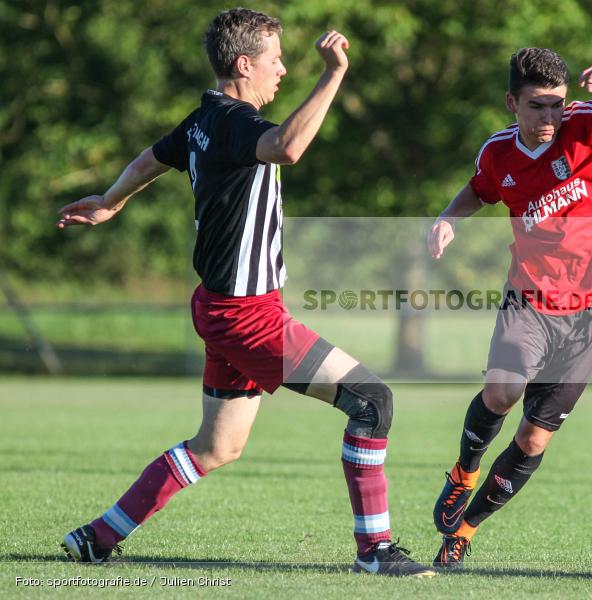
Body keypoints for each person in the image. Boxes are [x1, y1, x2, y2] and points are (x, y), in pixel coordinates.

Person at [55, 8, 434, 577]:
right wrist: (332, 74)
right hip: (246, 314)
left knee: (217, 447)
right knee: (372, 400)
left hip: (221, 307)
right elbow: (288, 147)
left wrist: (111, 200)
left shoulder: (203, 120)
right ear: (242, 64)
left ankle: (98, 536)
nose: (282, 70)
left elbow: (151, 159)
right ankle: (374, 553)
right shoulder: (234, 122)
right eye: (275, 60)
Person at [426, 48, 592, 569]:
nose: (550, 117)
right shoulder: (498, 153)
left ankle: (465, 531)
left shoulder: (588, 127)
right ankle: (464, 470)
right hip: (530, 296)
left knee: (533, 437)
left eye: (556, 104)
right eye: (537, 106)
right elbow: (478, 191)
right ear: (512, 103)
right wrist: (449, 217)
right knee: (502, 392)